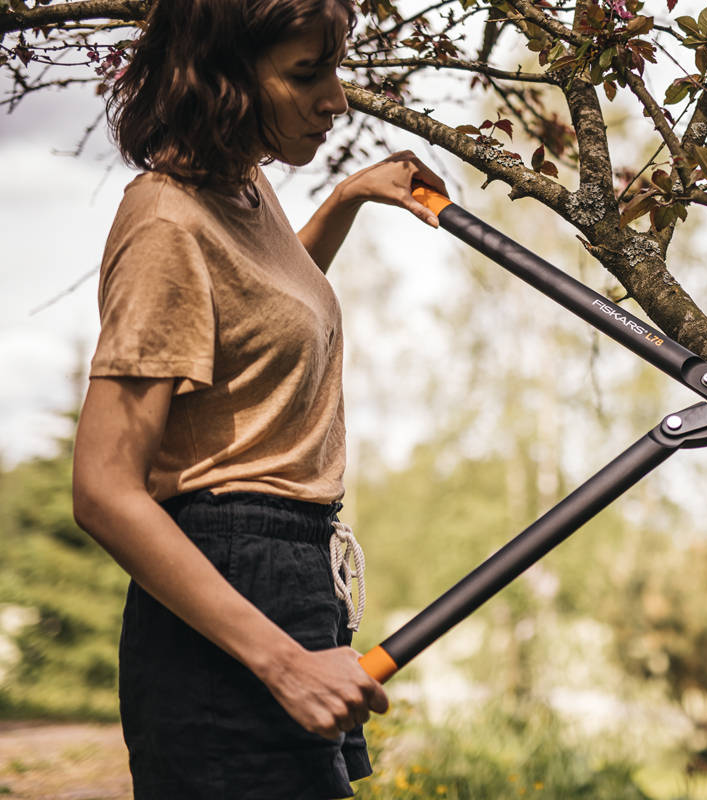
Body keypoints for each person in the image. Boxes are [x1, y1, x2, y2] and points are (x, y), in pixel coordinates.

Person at [70, 0, 448, 797]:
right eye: (306, 74)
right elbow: (103, 491)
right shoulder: (166, 224)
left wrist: (346, 198)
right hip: (228, 586)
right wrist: (282, 661)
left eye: (332, 69)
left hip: (290, 575)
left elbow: (257, 314)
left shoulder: (242, 187)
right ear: (223, 77)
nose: (335, 99)